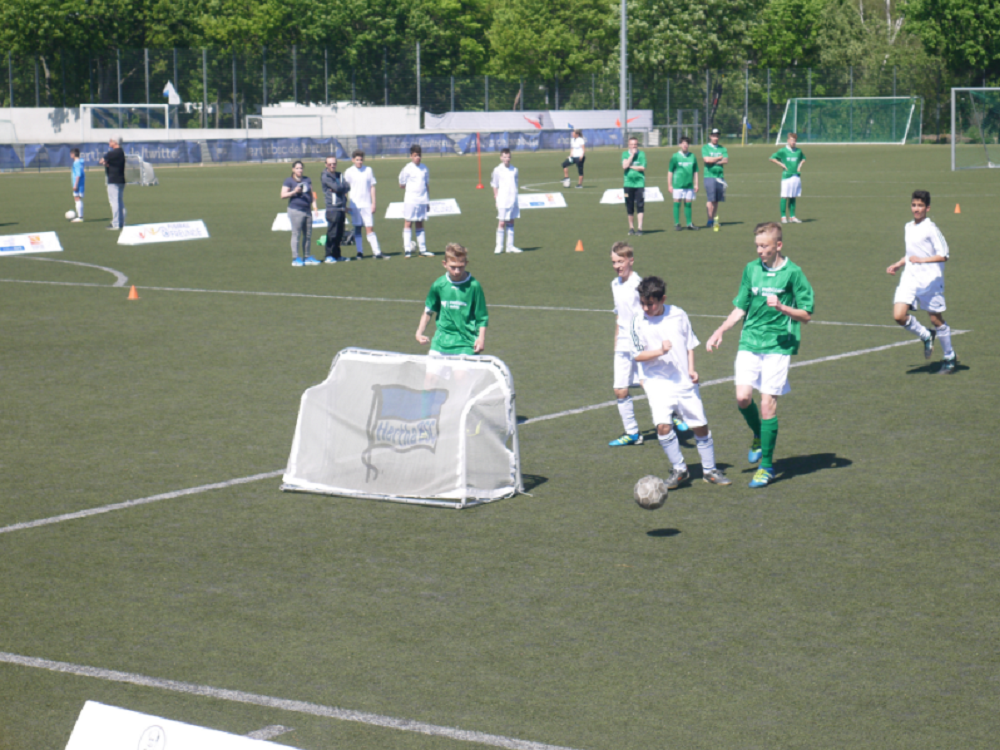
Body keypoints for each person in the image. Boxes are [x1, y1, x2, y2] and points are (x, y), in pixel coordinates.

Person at [705, 222, 815, 489]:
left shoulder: (793, 273)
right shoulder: (751, 270)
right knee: (743, 398)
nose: (759, 251)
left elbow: (807, 315)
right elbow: (740, 307)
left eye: (764, 246)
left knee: (767, 405)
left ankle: (766, 465)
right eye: (757, 245)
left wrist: (782, 307)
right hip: (750, 340)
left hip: (779, 344)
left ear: (778, 245)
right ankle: (757, 433)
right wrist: (721, 330)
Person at [632, 275, 732, 488]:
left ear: (662, 299)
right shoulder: (637, 321)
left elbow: (689, 344)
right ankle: (679, 470)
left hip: (682, 380)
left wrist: (691, 369)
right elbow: (637, 355)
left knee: (700, 426)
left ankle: (709, 470)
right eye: (643, 303)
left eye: (650, 303)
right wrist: (660, 351)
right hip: (656, 382)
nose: (646, 308)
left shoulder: (678, 314)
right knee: (663, 427)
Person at [887, 190, 958, 374]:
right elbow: (911, 254)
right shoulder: (908, 227)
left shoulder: (931, 229)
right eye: (914, 205)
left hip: (930, 281)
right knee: (898, 315)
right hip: (910, 277)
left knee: (935, 319)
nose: (916, 209)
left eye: (920, 206)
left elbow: (944, 255)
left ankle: (949, 356)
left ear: (927, 208)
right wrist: (898, 263)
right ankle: (926, 335)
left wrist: (922, 260)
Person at [415, 243, 488, 355]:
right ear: (444, 264)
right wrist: (419, 333)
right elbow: (428, 311)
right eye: (452, 267)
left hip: (466, 343)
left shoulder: (474, 286)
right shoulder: (439, 285)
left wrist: (481, 338)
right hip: (440, 342)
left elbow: (482, 317)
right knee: (430, 373)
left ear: (466, 263)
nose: (457, 271)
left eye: (461, 267)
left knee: (460, 373)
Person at [344, 150, 386, 259]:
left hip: (366, 204)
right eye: (357, 159)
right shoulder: (348, 172)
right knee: (357, 229)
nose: (359, 162)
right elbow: (344, 189)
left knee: (369, 229)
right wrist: (345, 205)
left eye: (361, 159)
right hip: (354, 205)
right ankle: (359, 253)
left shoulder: (368, 170)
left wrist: (374, 203)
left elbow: (372, 187)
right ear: (353, 160)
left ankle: (377, 252)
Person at [280, 160, 319, 267]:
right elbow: (282, 195)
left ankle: (307, 257)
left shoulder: (307, 180)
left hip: (307, 210)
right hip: (295, 210)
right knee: (296, 234)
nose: (299, 170)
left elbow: (312, 194)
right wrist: (294, 192)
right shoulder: (289, 181)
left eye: (301, 168)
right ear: (293, 169)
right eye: (297, 168)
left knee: (308, 235)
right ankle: (296, 258)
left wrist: (314, 206)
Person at [399, 144, 434, 258]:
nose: (417, 157)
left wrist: (427, 201)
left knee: (420, 222)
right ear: (411, 156)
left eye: (419, 155)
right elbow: (401, 184)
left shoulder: (425, 168)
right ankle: (407, 250)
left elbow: (426, 185)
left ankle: (423, 249)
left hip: (422, 200)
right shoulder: (407, 169)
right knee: (408, 222)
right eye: (415, 155)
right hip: (411, 200)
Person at [320, 155, 353, 263]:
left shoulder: (339, 174)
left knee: (339, 233)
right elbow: (339, 187)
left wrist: (340, 189)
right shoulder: (325, 176)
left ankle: (337, 255)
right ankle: (328, 255)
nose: (332, 165)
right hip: (332, 208)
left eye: (334, 163)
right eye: (330, 164)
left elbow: (347, 187)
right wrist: (340, 188)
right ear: (326, 164)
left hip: (341, 207)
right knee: (332, 233)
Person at [491, 148, 522, 254]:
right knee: (501, 222)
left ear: (510, 157)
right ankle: (499, 246)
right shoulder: (497, 170)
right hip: (503, 199)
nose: (506, 159)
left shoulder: (515, 170)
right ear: (501, 158)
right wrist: (496, 197)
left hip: (512, 198)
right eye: (504, 157)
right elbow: (494, 184)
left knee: (511, 221)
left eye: (508, 157)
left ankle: (510, 246)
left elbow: (516, 183)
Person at [770, 132, 805, 224]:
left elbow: (803, 158)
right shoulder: (783, 151)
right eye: (792, 140)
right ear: (788, 140)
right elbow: (772, 158)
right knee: (784, 196)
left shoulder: (798, 151)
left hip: (796, 175)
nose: (793, 142)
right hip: (786, 176)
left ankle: (792, 217)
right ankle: (783, 217)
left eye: (795, 140)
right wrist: (782, 164)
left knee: (793, 196)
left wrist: (799, 166)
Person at [668, 136, 699, 231]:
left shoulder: (692, 156)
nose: (685, 145)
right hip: (678, 185)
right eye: (683, 143)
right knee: (677, 203)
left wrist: (696, 184)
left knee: (688, 204)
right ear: (680, 144)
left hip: (689, 184)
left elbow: (695, 171)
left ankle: (689, 223)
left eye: (687, 143)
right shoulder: (675, 156)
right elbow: (670, 171)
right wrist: (669, 185)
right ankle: (677, 223)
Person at [702, 128, 728, 231]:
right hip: (709, 176)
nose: (715, 137)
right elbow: (707, 160)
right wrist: (718, 159)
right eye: (713, 135)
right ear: (710, 136)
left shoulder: (722, 148)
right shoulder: (705, 148)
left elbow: (725, 160)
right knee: (710, 199)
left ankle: (713, 219)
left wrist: (713, 161)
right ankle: (709, 219)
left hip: (720, 176)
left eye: (717, 136)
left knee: (716, 200)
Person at [98, 136, 126, 230]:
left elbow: (101, 160)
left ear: (115, 142)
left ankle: (116, 223)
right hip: (121, 179)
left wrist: (105, 162)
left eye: (111, 141)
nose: (109, 142)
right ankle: (121, 222)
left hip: (113, 180)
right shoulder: (121, 152)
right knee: (120, 201)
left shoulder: (112, 153)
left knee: (114, 202)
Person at [622, 136, 646, 236]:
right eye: (631, 144)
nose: (633, 146)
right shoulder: (624, 154)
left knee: (640, 205)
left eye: (635, 144)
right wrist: (631, 156)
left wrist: (631, 166)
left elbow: (642, 167)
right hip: (628, 184)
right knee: (629, 206)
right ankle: (631, 227)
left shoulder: (642, 154)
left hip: (639, 184)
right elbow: (624, 166)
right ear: (628, 145)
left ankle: (640, 228)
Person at [70, 148, 85, 222]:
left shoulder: (76, 163)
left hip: (78, 184)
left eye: (71, 153)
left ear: (73, 154)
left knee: (77, 198)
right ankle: (80, 216)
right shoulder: (80, 161)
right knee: (77, 198)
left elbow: (78, 175)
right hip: (81, 184)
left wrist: (75, 185)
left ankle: (80, 217)